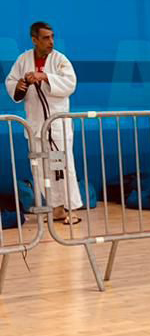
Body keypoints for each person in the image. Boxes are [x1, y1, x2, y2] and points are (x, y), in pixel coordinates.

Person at [5, 21, 82, 225]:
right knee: (41, 169)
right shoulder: (23, 60)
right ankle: (55, 209)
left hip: (56, 127)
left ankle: (71, 209)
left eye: (52, 37)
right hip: (36, 125)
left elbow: (70, 83)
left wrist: (45, 77)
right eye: (46, 38)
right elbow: (11, 82)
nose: (51, 41)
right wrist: (20, 85)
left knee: (62, 168)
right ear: (34, 39)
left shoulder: (60, 60)